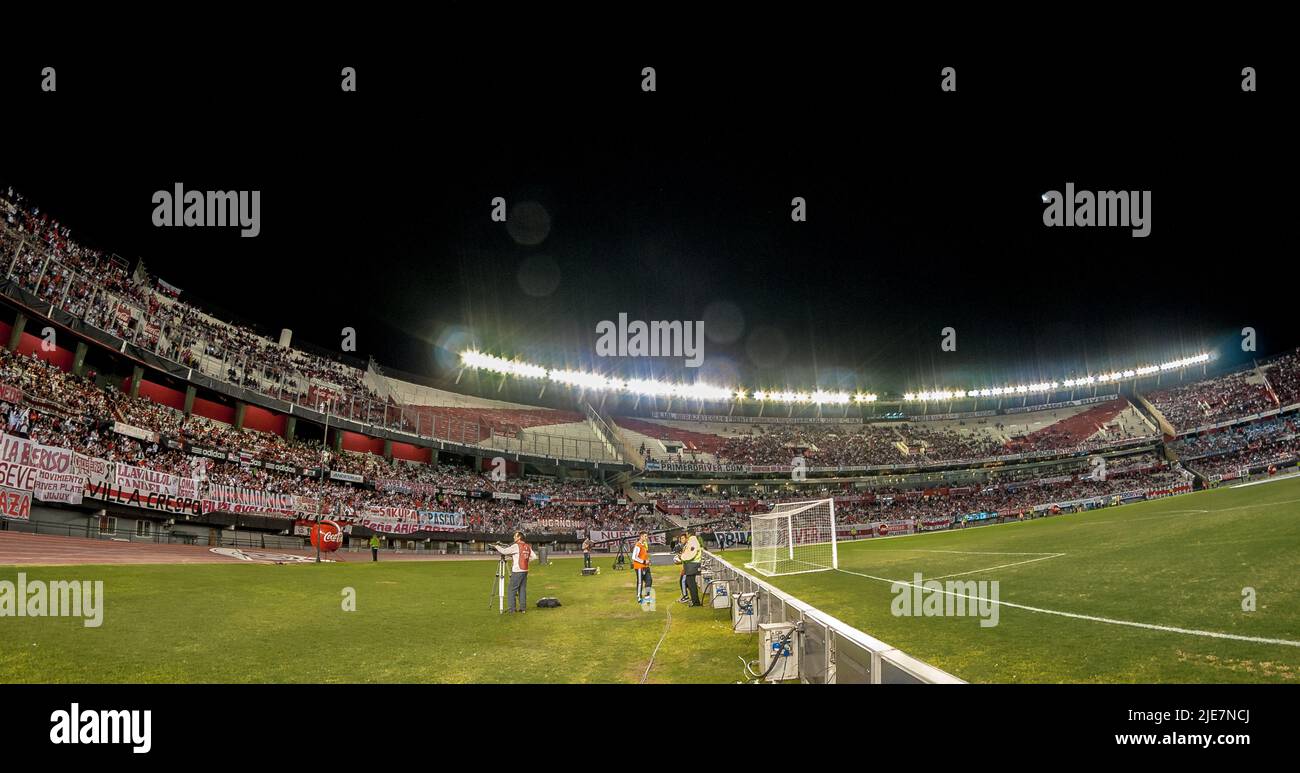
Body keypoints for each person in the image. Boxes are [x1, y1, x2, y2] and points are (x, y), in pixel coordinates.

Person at [494, 532, 536, 613]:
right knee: (522, 589)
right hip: (525, 570)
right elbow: (534, 557)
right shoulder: (527, 546)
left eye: (515, 536)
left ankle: (512, 609)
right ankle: (523, 608)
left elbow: (504, 551)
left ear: (519, 537)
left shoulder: (516, 545)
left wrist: (496, 546)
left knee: (511, 589)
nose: (513, 537)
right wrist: (526, 561)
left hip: (517, 570)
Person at [680, 529, 703, 606]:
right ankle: (694, 600)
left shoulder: (692, 541)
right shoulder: (692, 541)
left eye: (687, 533)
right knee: (689, 582)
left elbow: (691, 554)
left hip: (692, 565)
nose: (686, 535)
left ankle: (696, 602)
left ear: (689, 534)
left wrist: (682, 557)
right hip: (692, 565)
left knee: (691, 584)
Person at [631, 532, 652, 602]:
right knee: (640, 582)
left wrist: (647, 561)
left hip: (646, 566)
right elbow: (634, 557)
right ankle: (639, 597)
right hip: (639, 567)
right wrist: (643, 561)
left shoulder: (644, 545)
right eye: (645, 536)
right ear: (641, 537)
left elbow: (643, 555)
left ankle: (647, 596)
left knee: (649, 580)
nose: (646, 538)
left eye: (646, 536)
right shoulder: (638, 545)